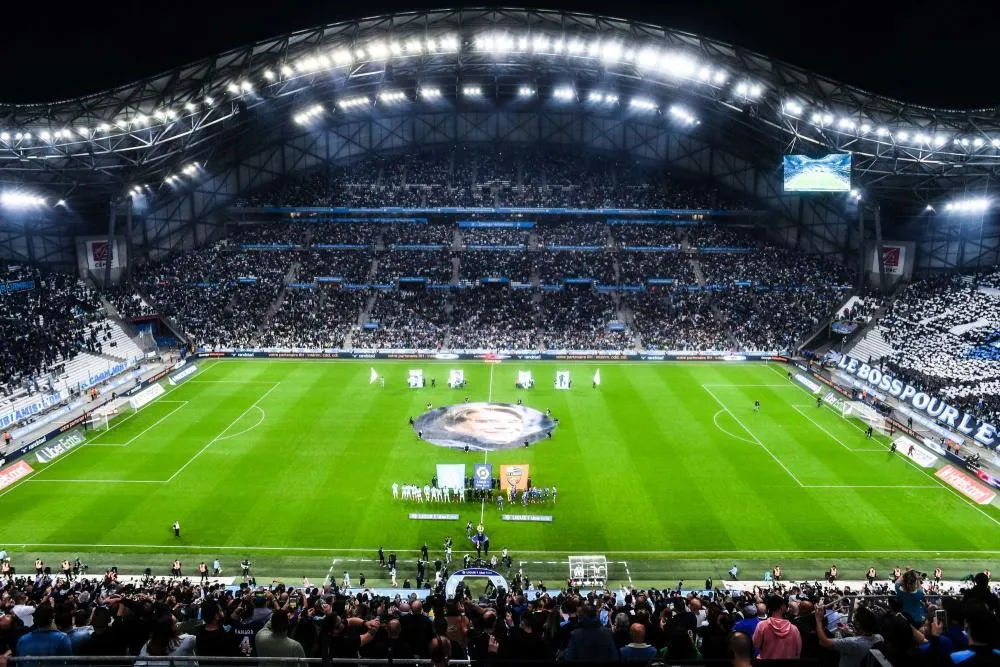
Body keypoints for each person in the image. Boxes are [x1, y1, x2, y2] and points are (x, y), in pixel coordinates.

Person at [815, 604, 880, 667]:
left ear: (858, 624)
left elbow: (823, 642)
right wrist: (852, 634)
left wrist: (819, 620)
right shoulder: (879, 637)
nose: (853, 621)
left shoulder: (852, 643)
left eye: (854, 619)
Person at [752, 595, 801, 660]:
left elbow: (756, 645)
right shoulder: (794, 629)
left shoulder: (762, 625)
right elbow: (798, 651)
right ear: (782, 607)